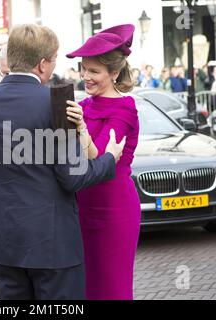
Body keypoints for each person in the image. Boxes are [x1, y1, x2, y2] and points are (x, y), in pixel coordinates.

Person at [0, 24, 125, 300]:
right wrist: (109, 159)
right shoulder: (56, 101)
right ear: (42, 64)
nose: (53, 67)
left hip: (5, 241)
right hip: (52, 244)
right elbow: (74, 177)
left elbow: (0, 162)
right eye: (53, 60)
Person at [66, 24, 141, 300]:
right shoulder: (83, 107)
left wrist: (82, 128)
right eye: (83, 69)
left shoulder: (125, 108)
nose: (85, 76)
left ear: (114, 73)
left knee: (112, 289)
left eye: (93, 71)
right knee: (85, 290)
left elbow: (100, 158)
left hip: (114, 211)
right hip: (80, 209)